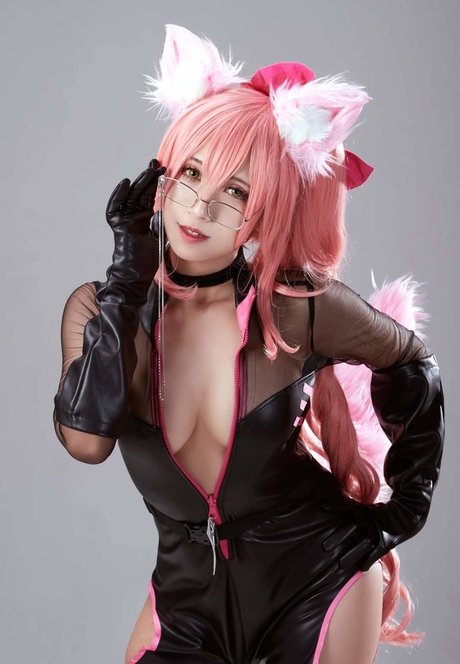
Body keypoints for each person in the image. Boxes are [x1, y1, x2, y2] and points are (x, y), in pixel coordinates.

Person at [52, 24, 445, 664]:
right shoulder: (102, 310)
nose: (201, 208)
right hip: (186, 598)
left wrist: (407, 506)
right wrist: (126, 280)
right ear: (162, 178)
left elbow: (410, 360)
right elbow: (86, 442)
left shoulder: (296, 307)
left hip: (317, 578)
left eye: (236, 192)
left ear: (264, 211)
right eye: (191, 174)